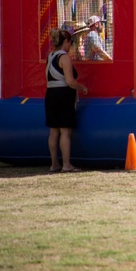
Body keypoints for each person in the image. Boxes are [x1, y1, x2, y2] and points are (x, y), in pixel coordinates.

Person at [45, 25, 88, 173]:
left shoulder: (50, 56)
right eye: (70, 42)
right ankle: (66, 164)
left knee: (53, 131)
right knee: (65, 132)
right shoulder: (64, 57)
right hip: (63, 96)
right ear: (65, 42)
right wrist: (82, 87)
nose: (70, 46)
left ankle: (54, 164)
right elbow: (70, 81)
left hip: (50, 95)